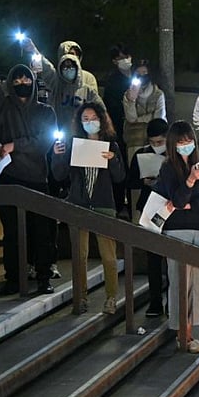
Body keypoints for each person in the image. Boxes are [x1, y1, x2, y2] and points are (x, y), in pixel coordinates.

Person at [0, 48, 57, 296]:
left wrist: (16, 145)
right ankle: (13, 278)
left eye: (26, 79)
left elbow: (43, 142)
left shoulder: (46, 112)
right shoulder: (3, 108)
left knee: (42, 232)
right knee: (12, 233)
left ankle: (44, 276)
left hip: (37, 179)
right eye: (16, 80)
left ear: (33, 82)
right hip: (10, 180)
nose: (21, 83)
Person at [51, 103, 125, 314]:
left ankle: (111, 298)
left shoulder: (111, 145)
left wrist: (113, 160)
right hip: (79, 205)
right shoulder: (75, 145)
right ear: (80, 122)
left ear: (102, 120)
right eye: (85, 118)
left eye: (93, 117)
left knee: (109, 256)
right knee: (79, 255)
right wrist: (57, 155)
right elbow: (59, 175)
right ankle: (81, 297)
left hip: (104, 205)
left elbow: (120, 177)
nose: (90, 122)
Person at [153, 121, 199, 354]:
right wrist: (189, 182)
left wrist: (188, 201)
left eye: (189, 141)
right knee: (179, 280)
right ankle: (181, 334)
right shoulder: (168, 167)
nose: (185, 145)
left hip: (197, 226)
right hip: (175, 229)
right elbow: (176, 201)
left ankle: (190, 332)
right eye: (180, 142)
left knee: (197, 282)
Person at [128, 118, 169, 317]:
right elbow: (130, 181)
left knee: (171, 259)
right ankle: (155, 302)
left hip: (170, 210)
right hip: (149, 209)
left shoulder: (174, 154)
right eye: (153, 143)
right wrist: (143, 181)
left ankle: (172, 301)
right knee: (153, 258)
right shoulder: (141, 154)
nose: (156, 146)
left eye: (160, 142)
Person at [104, 44, 134, 216]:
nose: (125, 60)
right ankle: (117, 205)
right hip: (119, 131)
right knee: (119, 168)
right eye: (120, 58)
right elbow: (110, 107)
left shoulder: (138, 76)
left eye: (126, 56)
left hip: (137, 132)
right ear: (114, 61)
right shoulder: (112, 81)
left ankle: (132, 206)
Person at [123, 60, 167, 163]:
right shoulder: (128, 94)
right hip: (134, 139)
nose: (142, 76)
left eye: (145, 73)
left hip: (154, 139)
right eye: (139, 73)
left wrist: (139, 120)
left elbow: (158, 119)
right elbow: (131, 118)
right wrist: (131, 100)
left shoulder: (158, 94)